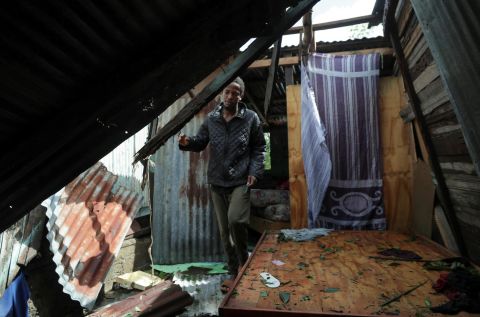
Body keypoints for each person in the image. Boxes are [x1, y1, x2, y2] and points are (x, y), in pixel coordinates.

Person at [178, 77, 266, 292]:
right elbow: (200, 142)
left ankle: (244, 264)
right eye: (227, 92)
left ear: (241, 96)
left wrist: (255, 172)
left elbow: (259, 149)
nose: (230, 96)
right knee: (225, 232)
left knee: (235, 219)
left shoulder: (250, 119)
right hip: (217, 182)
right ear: (221, 94)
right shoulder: (211, 119)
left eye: (235, 93)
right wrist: (188, 142)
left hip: (240, 180)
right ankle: (234, 272)